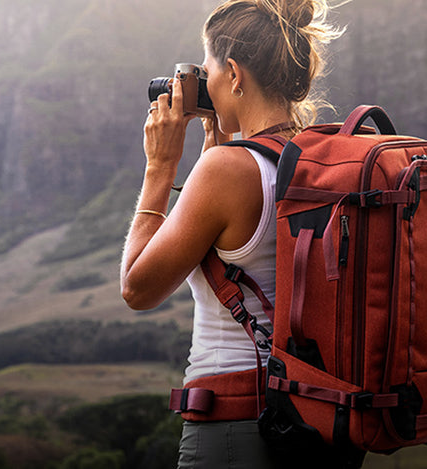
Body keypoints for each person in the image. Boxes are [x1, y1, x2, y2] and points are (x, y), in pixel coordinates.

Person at [119, 0, 356, 467]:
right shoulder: (318, 159)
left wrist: (161, 166)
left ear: (232, 73)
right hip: (318, 421)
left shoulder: (227, 171)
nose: (202, 83)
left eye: (205, 69)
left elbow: (137, 288)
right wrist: (218, 151)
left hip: (236, 425)